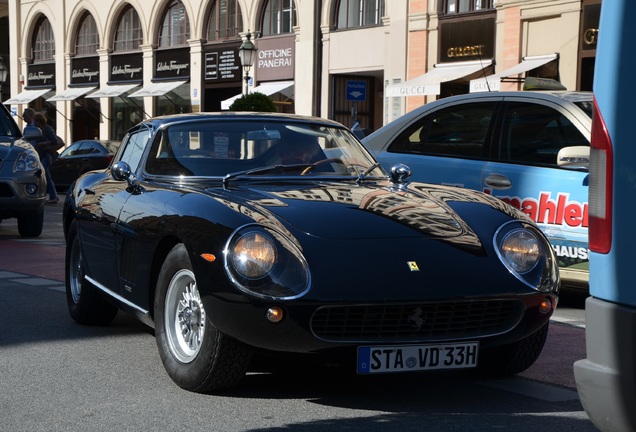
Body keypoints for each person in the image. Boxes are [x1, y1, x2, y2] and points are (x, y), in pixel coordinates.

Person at [32, 112, 59, 204]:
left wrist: (43, 143)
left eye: (35, 121)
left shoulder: (47, 129)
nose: (34, 123)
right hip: (42, 155)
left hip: (48, 155)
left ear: (39, 121)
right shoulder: (38, 129)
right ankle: (54, 195)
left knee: (44, 174)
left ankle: (53, 196)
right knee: (46, 175)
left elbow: (55, 141)